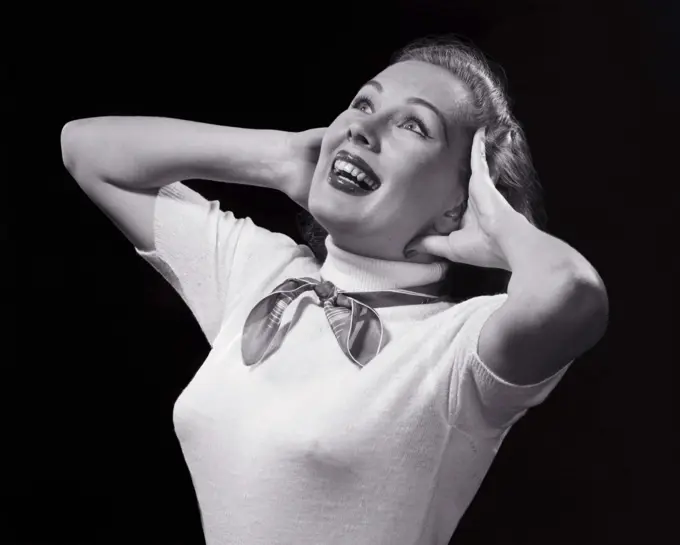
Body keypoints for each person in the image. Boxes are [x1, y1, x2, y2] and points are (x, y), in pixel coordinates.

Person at [61, 36, 608, 545]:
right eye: (363, 105)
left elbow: (571, 293)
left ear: (458, 203)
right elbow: (87, 149)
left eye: (414, 126)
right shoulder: (258, 272)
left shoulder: (457, 346)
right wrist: (276, 159)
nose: (360, 130)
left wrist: (498, 226)